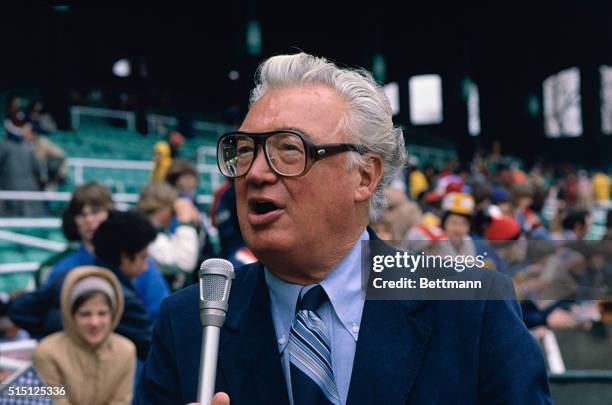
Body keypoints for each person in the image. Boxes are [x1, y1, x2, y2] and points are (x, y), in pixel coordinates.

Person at [136, 53, 551, 404]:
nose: (257, 173)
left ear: (365, 177)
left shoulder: (472, 308)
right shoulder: (189, 323)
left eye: (289, 149)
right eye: (244, 151)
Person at [10, 210, 156, 362]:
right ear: (126, 256)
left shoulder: (66, 277)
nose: (145, 267)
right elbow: (152, 351)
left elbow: (19, 310)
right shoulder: (125, 301)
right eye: (143, 257)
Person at [42, 182, 170, 321]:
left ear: (111, 213)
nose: (89, 220)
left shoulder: (142, 266)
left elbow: (161, 321)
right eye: (81, 214)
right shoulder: (62, 269)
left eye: (95, 212)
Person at [32, 266, 136, 405]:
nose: (94, 322)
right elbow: (57, 402)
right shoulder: (47, 352)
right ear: (70, 315)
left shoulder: (126, 350)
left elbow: (121, 401)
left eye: (102, 313)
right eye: (85, 314)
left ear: (114, 314)